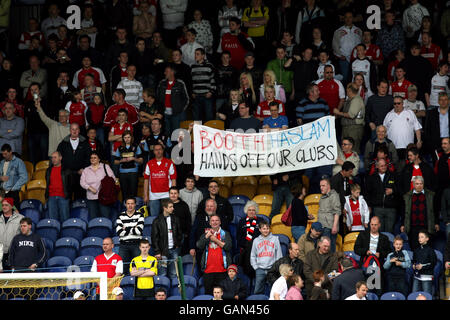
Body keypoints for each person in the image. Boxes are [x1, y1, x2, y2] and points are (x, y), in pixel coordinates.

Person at [197, 214, 232, 295]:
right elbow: (199, 245)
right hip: (208, 271)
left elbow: (228, 247)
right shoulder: (206, 233)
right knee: (208, 295)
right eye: (212, 220)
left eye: (216, 220)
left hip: (222, 271)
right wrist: (207, 236)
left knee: (222, 296)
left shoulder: (225, 234)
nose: (214, 222)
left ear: (220, 222)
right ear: (210, 223)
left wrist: (216, 240)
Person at [401, 176, 439, 250]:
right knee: (414, 248)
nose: (419, 185)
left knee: (427, 248)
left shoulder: (430, 195)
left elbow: (435, 210)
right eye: (417, 184)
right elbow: (404, 212)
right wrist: (403, 224)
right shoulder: (407, 196)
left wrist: (436, 223)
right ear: (413, 184)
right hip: (413, 227)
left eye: (421, 184)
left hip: (426, 226)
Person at [57, 123, 91, 200]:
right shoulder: (63, 143)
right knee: (67, 198)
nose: (74, 131)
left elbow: (89, 158)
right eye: (73, 129)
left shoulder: (85, 143)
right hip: (67, 175)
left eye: (76, 129)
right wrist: (64, 170)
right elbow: (58, 158)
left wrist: (84, 169)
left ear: (79, 130)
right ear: (70, 130)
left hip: (81, 175)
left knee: (79, 198)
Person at [383, 96, 422, 161]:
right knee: (394, 167)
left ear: (402, 103)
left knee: (408, 167)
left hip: (408, 147)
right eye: (395, 103)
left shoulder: (410, 113)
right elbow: (384, 131)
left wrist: (419, 141)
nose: (396, 105)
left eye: (398, 103)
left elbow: (417, 128)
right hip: (393, 147)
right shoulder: (389, 115)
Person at [151, 199, 182, 279]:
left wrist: (177, 244)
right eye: (170, 207)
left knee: (174, 274)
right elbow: (154, 237)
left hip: (174, 250)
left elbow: (179, 233)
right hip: (162, 252)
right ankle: (162, 291)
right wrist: (158, 251)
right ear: (164, 208)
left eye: (172, 206)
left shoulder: (176, 219)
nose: (173, 208)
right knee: (162, 274)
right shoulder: (157, 221)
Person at [365, 159, 398, 234]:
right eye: (381, 166)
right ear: (377, 166)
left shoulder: (393, 175)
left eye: (385, 165)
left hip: (391, 208)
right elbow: (367, 193)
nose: (384, 167)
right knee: (379, 232)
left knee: (390, 232)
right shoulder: (371, 177)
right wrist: (369, 205)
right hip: (377, 208)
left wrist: (392, 191)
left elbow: (400, 189)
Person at [80, 151, 117, 219]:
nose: (92, 159)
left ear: (99, 159)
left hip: (104, 197)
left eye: (95, 158)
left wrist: (104, 188)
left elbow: (113, 179)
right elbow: (82, 182)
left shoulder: (105, 167)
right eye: (91, 158)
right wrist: (90, 188)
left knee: (105, 217)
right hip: (91, 198)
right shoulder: (86, 170)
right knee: (93, 218)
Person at [143, 144, 177, 217]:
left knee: (168, 217)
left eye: (160, 149)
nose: (158, 151)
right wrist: (146, 195)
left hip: (167, 195)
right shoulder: (149, 163)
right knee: (154, 218)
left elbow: (173, 179)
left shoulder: (169, 163)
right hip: (153, 196)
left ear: (162, 150)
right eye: (156, 150)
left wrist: (173, 194)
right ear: (154, 151)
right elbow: (146, 180)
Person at [156, 64, 189, 135]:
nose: (165, 73)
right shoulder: (162, 83)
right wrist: (160, 109)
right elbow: (157, 97)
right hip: (164, 113)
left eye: (166, 71)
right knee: (166, 133)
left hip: (176, 113)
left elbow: (186, 99)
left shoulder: (180, 83)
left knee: (176, 133)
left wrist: (180, 109)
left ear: (172, 72)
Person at [250, 221, 283, 294]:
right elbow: (253, 255)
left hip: (272, 269)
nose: (266, 230)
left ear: (270, 229)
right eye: (263, 229)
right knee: (258, 290)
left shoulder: (275, 239)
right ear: (260, 229)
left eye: (267, 228)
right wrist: (256, 267)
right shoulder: (256, 240)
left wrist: (276, 267)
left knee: (273, 290)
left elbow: (279, 255)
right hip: (260, 269)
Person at [116, 197, 145, 276]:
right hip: (123, 245)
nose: (130, 205)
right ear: (125, 204)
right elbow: (119, 232)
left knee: (138, 267)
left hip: (136, 244)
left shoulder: (140, 215)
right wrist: (133, 228)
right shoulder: (120, 216)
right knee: (122, 268)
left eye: (132, 203)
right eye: (128, 203)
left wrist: (126, 228)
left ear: (135, 204)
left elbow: (138, 231)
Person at [333, 82, 365, 153]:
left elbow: (351, 115)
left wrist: (338, 113)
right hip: (348, 128)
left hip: (353, 129)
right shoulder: (351, 99)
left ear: (350, 90)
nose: (346, 91)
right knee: (346, 151)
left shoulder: (356, 100)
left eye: (347, 90)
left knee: (353, 151)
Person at [332, 11, 362, 84]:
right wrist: (340, 55)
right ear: (344, 19)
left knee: (356, 78)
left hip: (356, 59)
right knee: (345, 78)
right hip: (344, 59)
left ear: (353, 18)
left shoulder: (358, 30)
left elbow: (362, 44)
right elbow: (334, 45)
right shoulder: (338, 31)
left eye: (350, 17)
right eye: (346, 17)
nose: (348, 19)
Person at [113, 131, 144, 200]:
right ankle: (125, 209)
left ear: (131, 138)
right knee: (124, 194)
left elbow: (141, 161)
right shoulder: (120, 148)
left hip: (133, 172)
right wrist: (121, 160)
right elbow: (115, 161)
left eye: (128, 137)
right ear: (123, 138)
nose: (127, 139)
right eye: (125, 137)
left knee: (133, 193)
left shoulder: (136, 147)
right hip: (123, 173)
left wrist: (134, 158)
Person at [236, 200, 263, 278]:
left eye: (253, 210)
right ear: (246, 211)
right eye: (249, 210)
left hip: (258, 249)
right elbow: (239, 237)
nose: (251, 212)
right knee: (249, 245)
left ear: (256, 211)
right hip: (245, 249)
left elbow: (264, 235)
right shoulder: (242, 221)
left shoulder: (261, 221)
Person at [191, 48, 216, 122]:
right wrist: (192, 92)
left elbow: (213, 80)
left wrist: (211, 92)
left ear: (203, 55)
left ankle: (209, 133)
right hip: (196, 96)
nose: (195, 56)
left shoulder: (209, 66)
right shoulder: (193, 66)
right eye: (195, 54)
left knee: (209, 117)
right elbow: (192, 81)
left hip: (206, 96)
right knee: (196, 118)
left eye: (197, 54)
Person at [45, 151, 72, 222]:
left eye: (55, 157)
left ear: (60, 158)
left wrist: (68, 195)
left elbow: (71, 183)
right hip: (51, 197)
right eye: (52, 157)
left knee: (65, 220)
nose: (53, 159)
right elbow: (47, 183)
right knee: (53, 221)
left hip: (63, 197)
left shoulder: (66, 170)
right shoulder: (48, 170)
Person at [317, 178, 341, 252]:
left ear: (328, 186)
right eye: (320, 186)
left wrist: (334, 226)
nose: (321, 188)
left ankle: (331, 263)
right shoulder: (322, 197)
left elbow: (337, 212)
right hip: (322, 227)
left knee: (329, 250)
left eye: (323, 186)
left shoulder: (334, 196)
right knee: (323, 249)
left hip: (329, 228)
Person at [424, 92, 450, 160]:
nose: (443, 102)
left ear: (449, 101)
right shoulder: (431, 113)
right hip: (436, 143)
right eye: (441, 99)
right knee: (437, 164)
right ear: (438, 101)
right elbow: (427, 130)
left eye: (445, 99)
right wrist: (430, 145)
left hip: (449, 141)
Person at [412, 230, 437, 295]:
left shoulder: (430, 250)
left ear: (427, 239)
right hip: (417, 276)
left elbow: (433, 263)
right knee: (414, 295)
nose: (420, 239)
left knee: (426, 295)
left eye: (422, 237)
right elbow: (414, 261)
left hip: (426, 276)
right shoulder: (416, 250)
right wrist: (414, 265)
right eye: (419, 237)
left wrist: (422, 267)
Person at [168, 187, 191, 254]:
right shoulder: (164, 205)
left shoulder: (184, 205)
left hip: (181, 234)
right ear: (169, 194)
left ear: (178, 194)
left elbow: (188, 219)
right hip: (167, 234)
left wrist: (187, 232)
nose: (173, 195)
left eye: (175, 193)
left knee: (178, 254)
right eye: (171, 193)